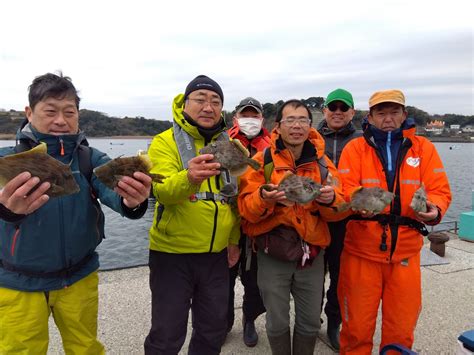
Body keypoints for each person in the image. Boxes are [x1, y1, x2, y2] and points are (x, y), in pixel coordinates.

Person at [0, 72, 152, 354]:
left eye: (69, 112)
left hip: (80, 277)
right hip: (17, 282)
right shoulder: (6, 161)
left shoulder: (89, 158)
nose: (61, 120)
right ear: (29, 112)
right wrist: (6, 210)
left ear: (78, 116)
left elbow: (115, 194)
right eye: (50, 111)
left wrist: (134, 200)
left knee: (85, 348)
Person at [337, 90, 452, 354]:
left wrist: (434, 210)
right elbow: (345, 187)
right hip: (360, 253)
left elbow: (439, 190)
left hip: (406, 255)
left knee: (401, 330)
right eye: (381, 112)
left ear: (404, 115)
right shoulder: (355, 148)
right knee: (355, 328)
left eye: (394, 112)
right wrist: (359, 201)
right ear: (371, 116)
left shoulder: (425, 148)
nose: (388, 118)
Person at [238, 99, 346, 355]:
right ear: (277, 126)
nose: (297, 126)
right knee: (276, 321)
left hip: (313, 254)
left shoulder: (323, 163)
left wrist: (331, 200)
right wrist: (264, 199)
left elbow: (341, 207)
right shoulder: (261, 160)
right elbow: (245, 210)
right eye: (290, 120)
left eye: (303, 120)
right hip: (272, 250)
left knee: (309, 320)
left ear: (310, 125)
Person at [145, 75, 241, 355]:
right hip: (172, 254)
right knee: (166, 334)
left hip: (216, 255)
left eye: (215, 101)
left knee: (212, 330)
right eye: (200, 99)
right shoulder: (164, 142)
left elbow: (233, 199)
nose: (208, 107)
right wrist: (190, 177)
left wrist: (234, 239)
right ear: (185, 103)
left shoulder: (231, 146)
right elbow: (161, 191)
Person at [317, 88, 361, 350]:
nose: (337, 112)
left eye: (343, 108)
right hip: (315, 217)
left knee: (340, 276)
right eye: (332, 107)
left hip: (346, 220)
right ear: (324, 111)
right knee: (309, 274)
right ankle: (310, 319)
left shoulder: (362, 140)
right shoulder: (311, 138)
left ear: (352, 112)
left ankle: (334, 321)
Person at [227, 97, 269, 347]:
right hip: (229, 219)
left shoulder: (273, 145)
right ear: (235, 118)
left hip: (258, 219)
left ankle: (250, 319)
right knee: (224, 276)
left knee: (255, 279)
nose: (250, 120)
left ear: (262, 119)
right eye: (245, 115)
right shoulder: (224, 143)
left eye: (254, 115)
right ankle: (223, 321)